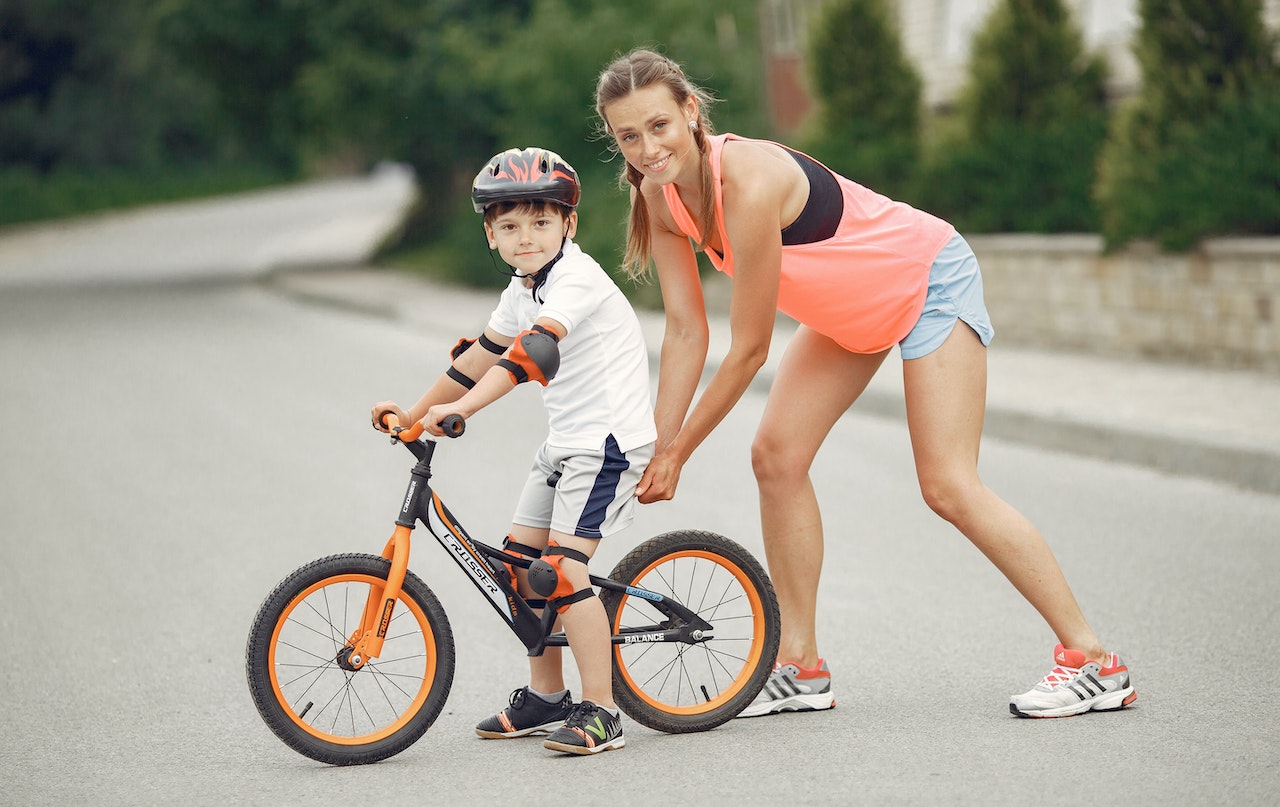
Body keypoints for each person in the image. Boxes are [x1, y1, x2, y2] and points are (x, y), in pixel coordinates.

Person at [592, 49, 1137, 719]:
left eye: (659, 126)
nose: (648, 148)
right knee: (777, 458)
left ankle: (1094, 661)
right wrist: (658, 438)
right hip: (849, 313)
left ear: (690, 112)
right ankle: (800, 665)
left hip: (927, 278)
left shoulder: (751, 182)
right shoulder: (657, 194)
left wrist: (680, 453)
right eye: (629, 136)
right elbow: (684, 332)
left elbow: (751, 348)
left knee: (948, 484)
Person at [371, 147, 656, 753]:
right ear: (490, 234)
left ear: (568, 225)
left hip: (608, 445)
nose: (526, 237)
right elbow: (478, 357)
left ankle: (603, 712)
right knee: (517, 570)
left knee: (563, 572)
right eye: (510, 226)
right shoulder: (522, 286)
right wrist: (416, 414)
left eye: (540, 222)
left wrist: (463, 411)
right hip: (566, 443)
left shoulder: (575, 279)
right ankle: (546, 698)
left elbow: (532, 355)